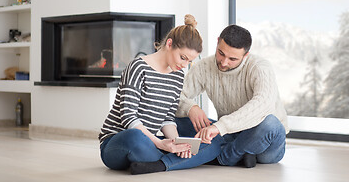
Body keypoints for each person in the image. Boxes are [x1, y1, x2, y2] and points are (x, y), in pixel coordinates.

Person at [99, 15, 224, 175]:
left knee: (216, 141)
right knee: (135, 137)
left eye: (189, 62)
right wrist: (161, 144)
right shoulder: (138, 67)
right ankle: (180, 161)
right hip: (119, 141)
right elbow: (128, 117)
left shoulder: (178, 76)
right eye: (183, 58)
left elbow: (167, 118)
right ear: (169, 44)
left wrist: (177, 143)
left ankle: (160, 164)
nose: (184, 65)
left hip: (150, 142)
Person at [175, 24, 290, 168]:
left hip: (263, 140)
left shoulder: (260, 67)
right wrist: (190, 107)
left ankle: (222, 158)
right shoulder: (204, 66)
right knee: (176, 118)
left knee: (271, 123)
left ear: (246, 55)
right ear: (217, 42)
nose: (224, 62)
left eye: (232, 59)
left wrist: (219, 127)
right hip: (229, 134)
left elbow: (263, 105)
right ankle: (242, 153)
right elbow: (175, 96)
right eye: (221, 53)